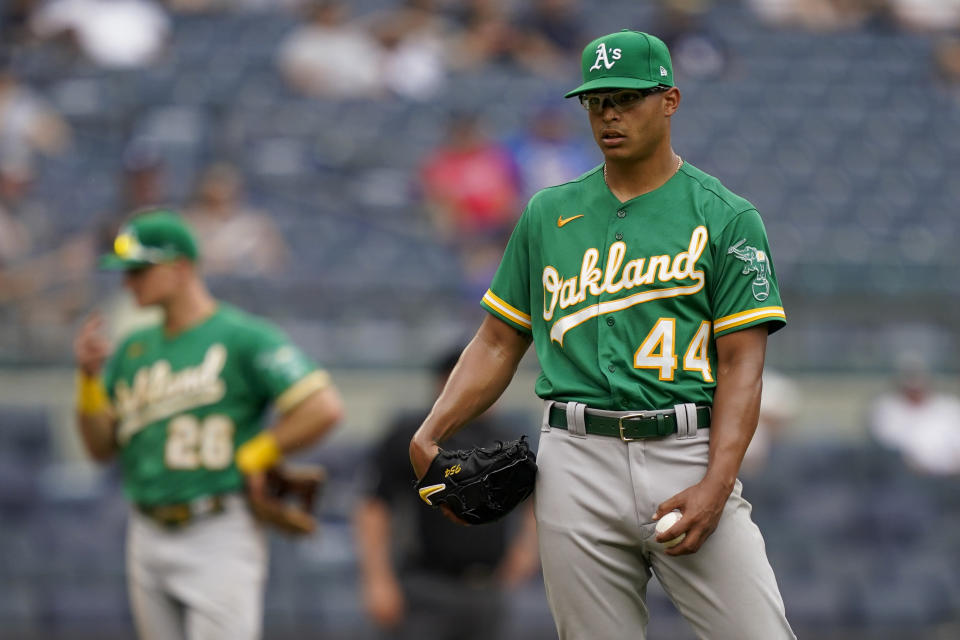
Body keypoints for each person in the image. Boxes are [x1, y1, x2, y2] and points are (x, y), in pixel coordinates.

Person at [409, 30, 795, 639]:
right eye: (596, 102)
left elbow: (744, 364)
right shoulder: (547, 213)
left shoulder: (725, 216)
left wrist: (717, 484)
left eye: (626, 98)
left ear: (669, 100)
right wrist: (433, 429)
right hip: (575, 456)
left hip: (685, 448)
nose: (609, 114)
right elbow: (496, 340)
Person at [72, 209, 344, 640]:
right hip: (145, 531)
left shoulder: (242, 336)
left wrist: (258, 452)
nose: (128, 282)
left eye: (140, 270)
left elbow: (323, 407)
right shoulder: (131, 350)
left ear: (180, 268)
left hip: (217, 526)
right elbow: (101, 448)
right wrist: (88, 382)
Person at [353, 347, 539, 639]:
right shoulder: (415, 437)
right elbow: (374, 506)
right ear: (444, 384)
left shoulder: (506, 438)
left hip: (489, 588)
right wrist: (377, 579)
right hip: (425, 585)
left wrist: (526, 551)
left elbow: (534, 499)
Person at [868, 352, 960, 475]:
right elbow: (890, 449)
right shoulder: (886, 409)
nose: (915, 388)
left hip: (950, 478)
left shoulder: (949, 406)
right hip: (907, 480)